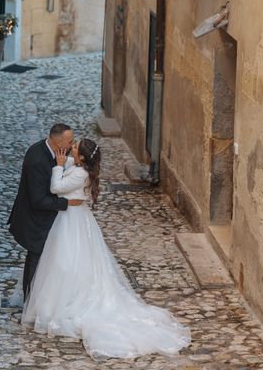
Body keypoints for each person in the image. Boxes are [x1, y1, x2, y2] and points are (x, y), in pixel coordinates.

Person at [21, 138, 191, 359]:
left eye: (75, 147)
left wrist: (59, 165)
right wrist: (67, 161)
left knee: (66, 260)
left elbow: (56, 187)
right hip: (74, 219)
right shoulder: (80, 168)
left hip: (71, 222)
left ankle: (66, 300)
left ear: (81, 157)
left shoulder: (79, 173)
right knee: (69, 261)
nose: (71, 147)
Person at [8, 123, 84, 300]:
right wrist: (67, 203)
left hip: (45, 218)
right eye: (70, 142)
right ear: (58, 143)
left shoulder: (55, 153)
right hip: (35, 220)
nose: (73, 145)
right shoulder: (37, 160)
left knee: (43, 259)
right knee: (35, 259)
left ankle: (39, 298)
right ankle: (29, 301)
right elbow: (38, 200)